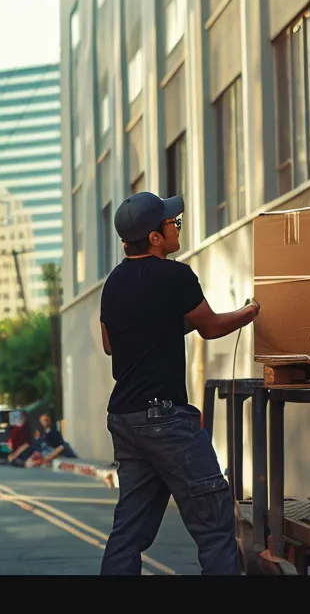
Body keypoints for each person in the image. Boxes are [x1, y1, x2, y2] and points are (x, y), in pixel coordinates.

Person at [97, 192, 261, 576]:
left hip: (126, 418)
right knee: (215, 523)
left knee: (129, 533)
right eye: (173, 224)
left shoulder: (114, 282)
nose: (176, 228)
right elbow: (212, 326)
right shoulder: (175, 275)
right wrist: (249, 312)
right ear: (155, 237)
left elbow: (110, 344)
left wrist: (166, 326)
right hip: (166, 419)